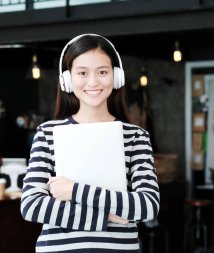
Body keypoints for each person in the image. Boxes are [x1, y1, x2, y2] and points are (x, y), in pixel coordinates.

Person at [20, 34, 160, 252]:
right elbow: (32, 206)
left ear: (116, 77)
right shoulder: (47, 134)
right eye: (82, 73)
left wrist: (74, 191)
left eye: (102, 72)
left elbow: (147, 206)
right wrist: (105, 217)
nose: (93, 82)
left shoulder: (136, 137)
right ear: (67, 79)